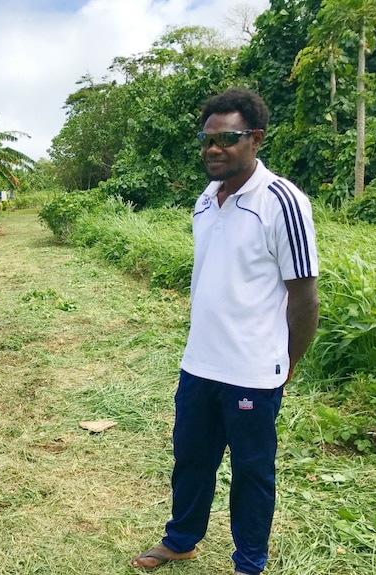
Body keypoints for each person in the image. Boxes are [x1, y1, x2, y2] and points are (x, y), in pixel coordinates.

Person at [131, 88, 319, 575]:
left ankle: (249, 563)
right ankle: (181, 540)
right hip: (200, 363)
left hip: (253, 370)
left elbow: (304, 297)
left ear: (254, 139)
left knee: (252, 472)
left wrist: (287, 362)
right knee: (191, 459)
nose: (213, 149)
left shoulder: (283, 201)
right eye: (207, 140)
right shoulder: (204, 201)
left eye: (227, 139)